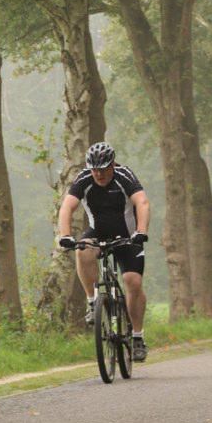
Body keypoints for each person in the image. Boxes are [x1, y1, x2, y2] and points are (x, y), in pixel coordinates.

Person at [57, 141, 151, 362]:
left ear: (113, 165)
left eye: (103, 168)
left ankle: (137, 337)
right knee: (83, 250)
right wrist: (65, 235)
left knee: (132, 281)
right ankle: (93, 302)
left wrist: (141, 231)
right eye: (94, 169)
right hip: (98, 231)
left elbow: (142, 202)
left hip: (128, 234)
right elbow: (67, 207)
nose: (98, 174)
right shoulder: (84, 178)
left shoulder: (124, 175)